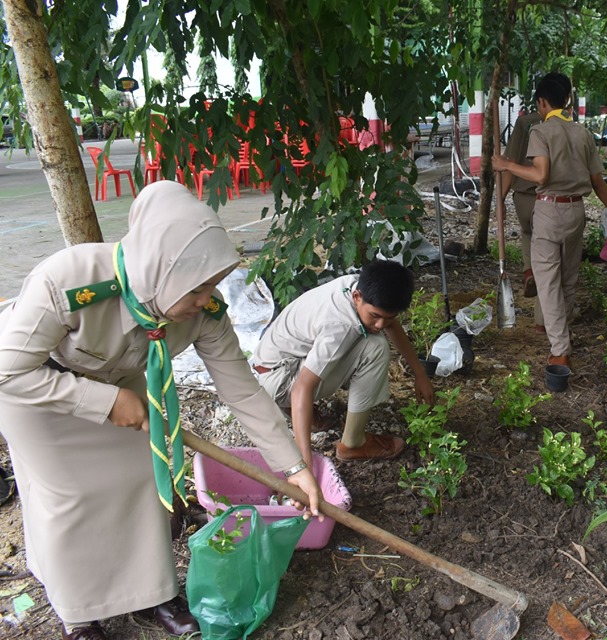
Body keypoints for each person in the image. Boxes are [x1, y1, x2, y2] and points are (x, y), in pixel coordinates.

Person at [0, 181, 322, 640]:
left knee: (141, 480)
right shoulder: (69, 281)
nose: (205, 298)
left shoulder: (202, 311)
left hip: (122, 388)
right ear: (158, 271)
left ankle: (151, 592)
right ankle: (79, 614)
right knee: (70, 497)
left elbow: (244, 392)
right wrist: (105, 402)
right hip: (38, 390)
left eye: (210, 284)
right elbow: (8, 371)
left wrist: (292, 466)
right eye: (196, 287)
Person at [493, 72, 607, 370]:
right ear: (566, 100)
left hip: (549, 210)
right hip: (576, 212)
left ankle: (560, 349)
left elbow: (540, 174)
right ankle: (561, 334)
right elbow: (598, 182)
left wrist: (507, 165)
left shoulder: (541, 132)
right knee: (568, 279)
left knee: (548, 281)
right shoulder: (582, 133)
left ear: (542, 102)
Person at [253, 259, 435, 466]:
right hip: (279, 381)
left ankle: (301, 412)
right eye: (375, 316)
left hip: (273, 364)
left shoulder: (354, 285)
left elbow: (390, 325)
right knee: (375, 347)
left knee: (370, 337)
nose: (380, 324)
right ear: (357, 298)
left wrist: (420, 375)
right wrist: (303, 463)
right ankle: (353, 444)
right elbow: (302, 387)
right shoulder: (340, 326)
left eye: (389, 317)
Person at [500, 108, 546, 331]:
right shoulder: (563, 125)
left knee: (528, 233)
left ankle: (528, 271)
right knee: (550, 258)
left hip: (523, 198)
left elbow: (510, 161)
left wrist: (500, 199)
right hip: (549, 198)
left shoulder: (524, 123)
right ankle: (542, 320)